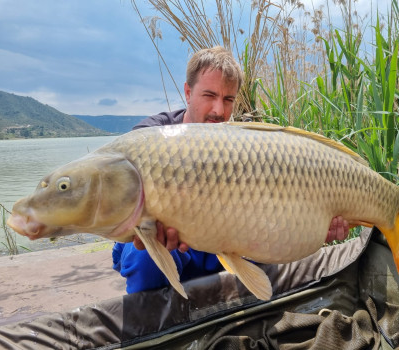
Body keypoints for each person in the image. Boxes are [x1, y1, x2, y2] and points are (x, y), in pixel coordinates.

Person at [112, 46, 350, 294]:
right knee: (144, 260)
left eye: (228, 100)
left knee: (265, 246)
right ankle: (157, 329)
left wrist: (315, 227)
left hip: (221, 234)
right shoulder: (151, 138)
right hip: (173, 240)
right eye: (209, 95)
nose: (219, 111)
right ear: (188, 92)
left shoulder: (240, 144)